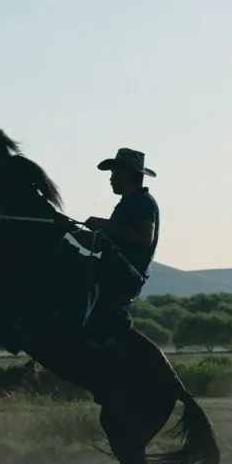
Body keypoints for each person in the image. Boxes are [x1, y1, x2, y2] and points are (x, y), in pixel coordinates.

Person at [78, 148, 160, 346]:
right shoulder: (126, 205)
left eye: (115, 172)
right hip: (111, 274)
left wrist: (105, 224)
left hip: (122, 278)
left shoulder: (142, 202)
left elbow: (144, 237)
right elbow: (99, 246)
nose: (111, 178)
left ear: (129, 174)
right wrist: (69, 231)